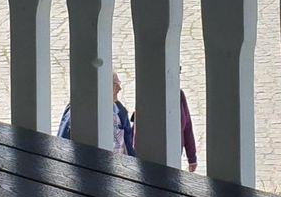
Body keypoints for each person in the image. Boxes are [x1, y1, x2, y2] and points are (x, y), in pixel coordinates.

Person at [57, 73, 198, 170]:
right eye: (116, 84)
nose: (120, 88)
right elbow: (62, 142)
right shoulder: (76, 113)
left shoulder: (120, 111)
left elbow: (129, 143)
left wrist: (192, 157)